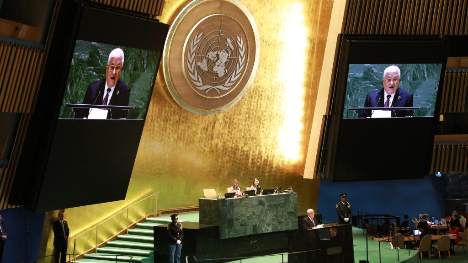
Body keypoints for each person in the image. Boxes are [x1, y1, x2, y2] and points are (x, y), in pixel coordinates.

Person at [76, 48, 131, 119]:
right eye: (111, 67)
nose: (114, 72)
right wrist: (84, 118)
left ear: (121, 70)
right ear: (107, 68)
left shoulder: (124, 91)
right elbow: (83, 112)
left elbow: (122, 116)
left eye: (117, 68)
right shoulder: (93, 88)